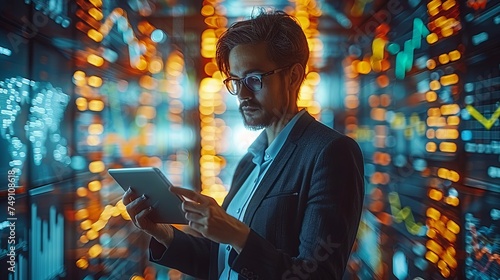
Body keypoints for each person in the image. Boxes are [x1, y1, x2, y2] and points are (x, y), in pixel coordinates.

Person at [123, 9, 365, 280]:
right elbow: (222, 263)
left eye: (254, 79)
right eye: (236, 82)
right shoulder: (249, 163)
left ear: (294, 76)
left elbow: (318, 274)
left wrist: (237, 234)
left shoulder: (330, 153)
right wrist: (164, 234)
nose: (243, 95)